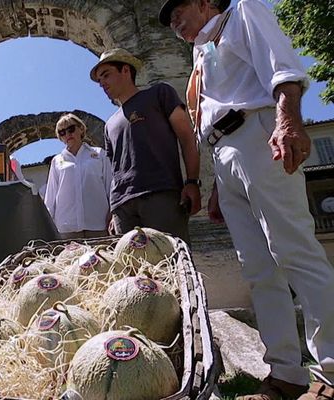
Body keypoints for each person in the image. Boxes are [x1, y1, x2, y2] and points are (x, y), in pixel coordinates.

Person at [160, 0, 334, 399]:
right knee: (257, 268)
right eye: (169, 20)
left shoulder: (243, 12)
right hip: (224, 152)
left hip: (259, 133)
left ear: (205, 3)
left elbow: (282, 66)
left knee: (294, 251)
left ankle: (332, 366)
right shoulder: (201, 51)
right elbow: (209, 117)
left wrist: (288, 119)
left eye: (178, 11)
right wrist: (220, 184)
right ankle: (286, 374)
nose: (173, 22)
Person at [90, 48, 201, 242]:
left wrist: (192, 182)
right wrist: (112, 210)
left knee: (171, 264)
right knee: (131, 269)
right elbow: (114, 171)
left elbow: (187, 136)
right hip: (122, 206)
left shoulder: (159, 93)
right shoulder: (109, 125)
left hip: (161, 195)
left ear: (126, 70)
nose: (102, 84)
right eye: (99, 81)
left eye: (106, 75)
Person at [44, 114, 112, 239]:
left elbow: (110, 186)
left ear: (81, 128)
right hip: (67, 226)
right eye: (62, 132)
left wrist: (112, 213)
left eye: (71, 129)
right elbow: (51, 195)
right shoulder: (57, 161)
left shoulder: (99, 154)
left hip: (98, 224)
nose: (67, 134)